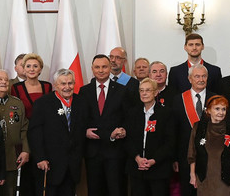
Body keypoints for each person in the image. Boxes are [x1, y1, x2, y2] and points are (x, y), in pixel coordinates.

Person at [78, 54, 129, 196]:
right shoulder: (84, 91)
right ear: (92, 69)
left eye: (104, 67)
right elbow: (80, 119)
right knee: (95, 191)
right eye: (97, 67)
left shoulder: (122, 90)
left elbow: (128, 118)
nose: (101, 70)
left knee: (116, 190)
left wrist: (124, 129)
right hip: (92, 152)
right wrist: (84, 131)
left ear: (110, 68)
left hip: (115, 152)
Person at [28, 69, 84, 196]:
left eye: (70, 83)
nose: (67, 87)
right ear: (55, 85)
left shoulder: (81, 102)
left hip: (72, 165)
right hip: (50, 164)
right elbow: (34, 133)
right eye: (63, 84)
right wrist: (40, 157)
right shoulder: (43, 103)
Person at [124, 78, 177, 196]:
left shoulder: (166, 113)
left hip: (158, 168)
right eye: (141, 90)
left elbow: (170, 142)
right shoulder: (132, 113)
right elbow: (128, 140)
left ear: (156, 92)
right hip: (137, 167)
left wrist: (153, 160)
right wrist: (137, 158)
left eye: (148, 90)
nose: (144, 93)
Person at [172, 64, 216, 196]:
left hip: (211, 156)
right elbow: (174, 132)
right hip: (185, 156)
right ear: (190, 79)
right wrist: (174, 158)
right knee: (188, 190)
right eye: (197, 76)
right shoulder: (178, 100)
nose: (201, 79)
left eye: (204, 76)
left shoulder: (216, 99)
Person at [188, 95, 230, 196]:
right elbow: (192, 153)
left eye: (223, 109)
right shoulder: (198, 127)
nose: (221, 112)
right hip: (204, 177)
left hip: (226, 178)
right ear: (208, 110)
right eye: (217, 109)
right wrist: (192, 175)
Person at [0, 69, 30, 196]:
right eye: (0, 79)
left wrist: (26, 150)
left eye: (6, 79)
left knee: (9, 192)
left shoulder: (17, 103)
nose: (4, 82)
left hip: (11, 158)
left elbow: (24, 128)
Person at [10, 53, 53, 119]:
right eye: (28, 66)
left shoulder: (47, 86)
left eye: (35, 66)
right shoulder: (16, 88)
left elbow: (50, 109)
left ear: (40, 69)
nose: (32, 69)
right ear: (24, 69)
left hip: (46, 126)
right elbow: (15, 112)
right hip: (25, 127)